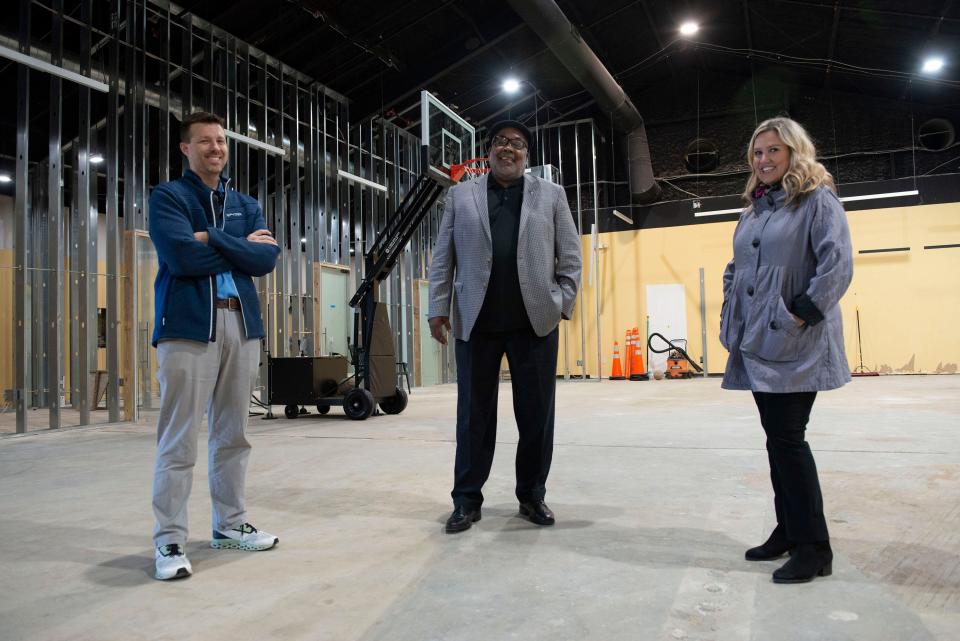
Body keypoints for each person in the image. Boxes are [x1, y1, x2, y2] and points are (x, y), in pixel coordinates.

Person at [428, 119, 582, 534]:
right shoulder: (461, 195)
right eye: (500, 142)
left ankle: (531, 496)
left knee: (535, 416)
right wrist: (437, 308)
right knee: (473, 416)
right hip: (477, 322)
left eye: (516, 144)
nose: (507, 149)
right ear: (490, 149)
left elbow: (570, 256)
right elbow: (443, 257)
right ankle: (466, 500)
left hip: (534, 323)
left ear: (526, 154)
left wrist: (561, 305)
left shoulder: (551, 196)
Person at [720, 116, 853, 583]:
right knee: (778, 441)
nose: (763, 160)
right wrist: (729, 305)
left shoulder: (817, 200)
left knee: (788, 441)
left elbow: (838, 264)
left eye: (773, 151)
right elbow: (739, 264)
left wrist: (800, 312)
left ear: (795, 152)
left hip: (796, 342)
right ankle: (789, 529)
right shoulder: (755, 208)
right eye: (757, 153)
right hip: (756, 340)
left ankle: (815, 546)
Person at [148, 112, 281, 580]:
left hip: (241, 325)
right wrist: (238, 245)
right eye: (205, 141)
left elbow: (266, 258)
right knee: (178, 439)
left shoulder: (245, 202)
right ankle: (168, 541)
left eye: (221, 141)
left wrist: (215, 239)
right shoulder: (169, 196)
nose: (216, 148)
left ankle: (229, 525)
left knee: (233, 436)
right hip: (188, 327)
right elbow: (181, 256)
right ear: (186, 148)